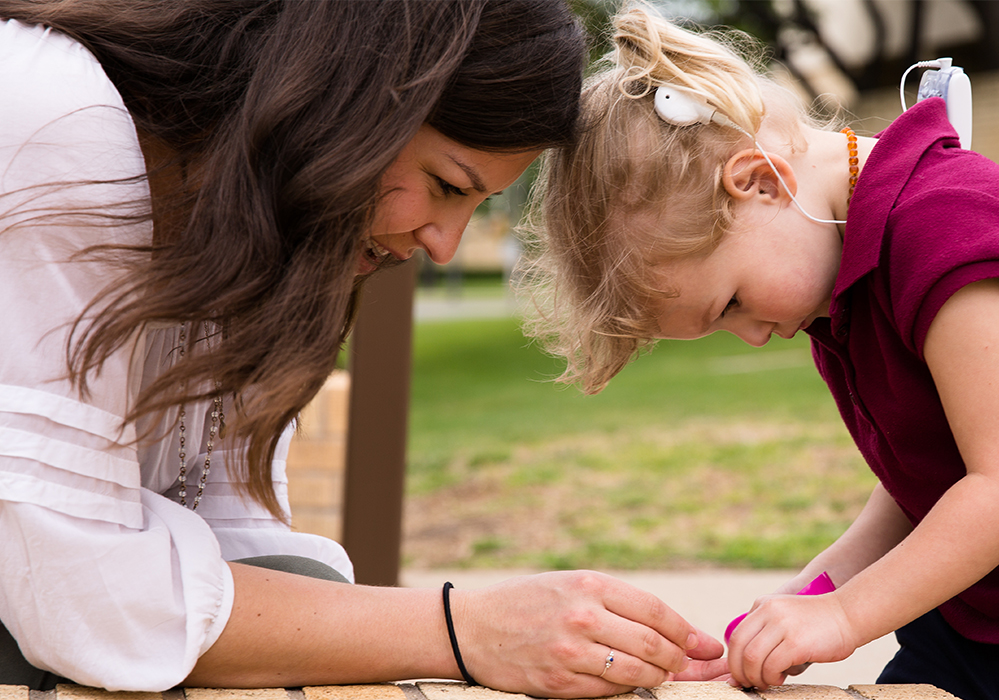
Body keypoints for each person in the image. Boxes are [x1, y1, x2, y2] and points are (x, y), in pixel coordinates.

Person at [0, 1, 726, 695]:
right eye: (445, 186)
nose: (444, 245)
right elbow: (86, 598)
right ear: (349, 103)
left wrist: (524, 632)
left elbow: (233, 544)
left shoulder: (237, 219)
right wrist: (465, 630)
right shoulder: (58, 122)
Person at [517, 5, 999, 699]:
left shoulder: (945, 226)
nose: (755, 332)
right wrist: (807, 596)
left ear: (760, 182)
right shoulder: (840, 286)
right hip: (984, 624)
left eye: (729, 304)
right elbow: (933, 474)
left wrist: (846, 614)